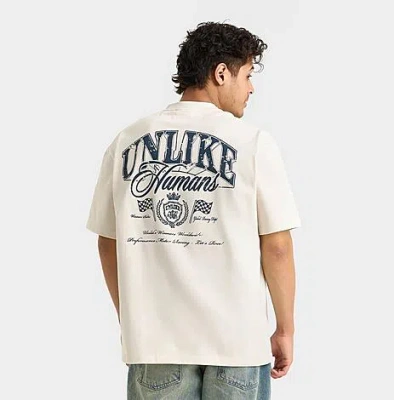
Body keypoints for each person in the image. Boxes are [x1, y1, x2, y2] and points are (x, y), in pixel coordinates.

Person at [86, 21, 301, 400]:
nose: (251, 88)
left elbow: (108, 241)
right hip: (237, 344)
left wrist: (133, 318)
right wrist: (285, 329)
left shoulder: (126, 141)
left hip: (157, 345)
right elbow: (278, 246)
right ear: (221, 73)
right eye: (248, 75)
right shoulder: (252, 143)